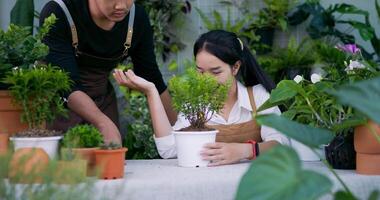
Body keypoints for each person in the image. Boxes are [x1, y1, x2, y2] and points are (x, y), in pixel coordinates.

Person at [114, 30, 289, 166]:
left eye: (215, 72)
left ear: (235, 67)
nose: (206, 79)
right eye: (200, 71)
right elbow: (168, 149)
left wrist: (245, 151)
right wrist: (151, 92)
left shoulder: (257, 97)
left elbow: (282, 145)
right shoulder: (195, 105)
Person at [39, 0, 177, 144]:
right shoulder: (60, 12)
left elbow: (151, 77)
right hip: (63, 107)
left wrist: (180, 130)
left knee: (110, 160)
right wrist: (104, 124)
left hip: (103, 100)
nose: (121, 6)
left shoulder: (136, 18)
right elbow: (68, 84)